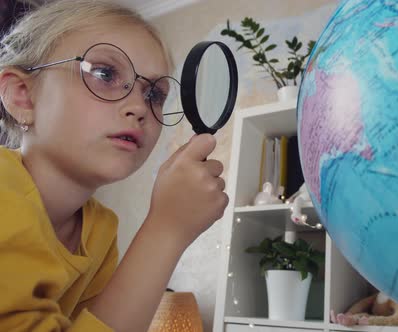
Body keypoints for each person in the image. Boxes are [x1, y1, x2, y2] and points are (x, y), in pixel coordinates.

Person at [0, 1, 229, 331]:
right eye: (104, 73)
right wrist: (167, 230)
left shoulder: (99, 230)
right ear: (23, 95)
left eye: (154, 94)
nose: (138, 106)